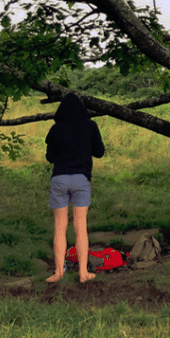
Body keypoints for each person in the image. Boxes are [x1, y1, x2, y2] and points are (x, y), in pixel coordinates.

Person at [45, 93, 106, 283]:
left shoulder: (56, 128)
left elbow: (50, 157)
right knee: (80, 227)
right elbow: (100, 152)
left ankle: (58, 272)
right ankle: (83, 273)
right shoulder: (90, 126)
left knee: (60, 227)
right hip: (81, 179)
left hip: (60, 179)